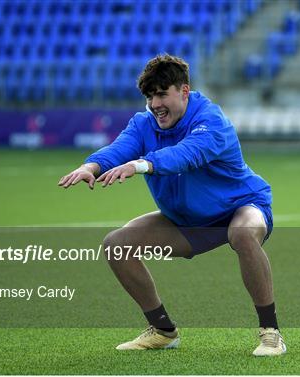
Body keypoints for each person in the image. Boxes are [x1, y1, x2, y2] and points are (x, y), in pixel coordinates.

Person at [58, 54, 286, 357]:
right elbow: (119, 148)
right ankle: (163, 331)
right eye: (150, 96)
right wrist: (92, 166)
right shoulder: (143, 124)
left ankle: (271, 333)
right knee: (116, 245)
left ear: (184, 91)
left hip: (242, 206)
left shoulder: (211, 120)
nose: (155, 104)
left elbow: (187, 154)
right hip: (187, 221)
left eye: (162, 93)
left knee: (243, 233)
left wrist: (142, 164)